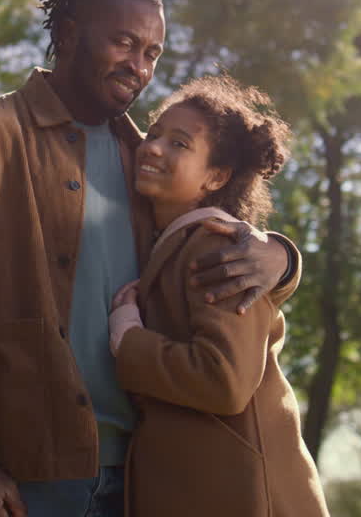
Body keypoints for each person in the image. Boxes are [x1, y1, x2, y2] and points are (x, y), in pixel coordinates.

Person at [0, 0, 304, 517]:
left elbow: (215, 250)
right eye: (124, 43)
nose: (139, 66)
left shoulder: (145, 157)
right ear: (69, 33)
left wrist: (283, 258)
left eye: (152, 53)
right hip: (21, 478)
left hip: (144, 480)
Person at [107, 75, 329, 516]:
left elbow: (223, 381)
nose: (152, 148)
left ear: (216, 176)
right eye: (153, 135)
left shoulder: (218, 246)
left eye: (179, 144)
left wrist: (127, 338)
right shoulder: (171, 244)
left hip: (243, 498)